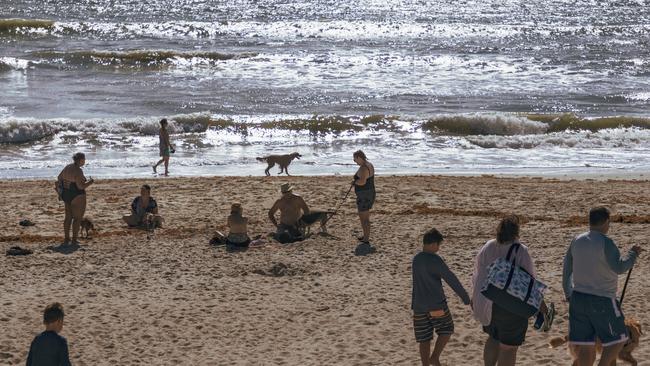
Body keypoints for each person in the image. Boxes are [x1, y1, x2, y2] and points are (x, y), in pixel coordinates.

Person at [562, 206, 642, 366]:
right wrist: (633, 254)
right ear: (606, 221)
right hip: (602, 299)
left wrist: (568, 293)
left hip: (578, 298)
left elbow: (566, 270)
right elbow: (619, 267)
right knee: (618, 339)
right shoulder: (606, 242)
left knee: (586, 344)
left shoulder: (577, 240)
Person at [472, 215, 549, 366]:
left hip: (487, 299)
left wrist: (474, 298)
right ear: (516, 232)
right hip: (509, 305)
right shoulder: (520, 250)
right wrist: (541, 305)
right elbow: (530, 281)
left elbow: (477, 274)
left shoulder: (488, 246)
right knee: (508, 348)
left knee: (493, 337)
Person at [412, 228, 471, 366]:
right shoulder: (435, 260)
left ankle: (426, 363)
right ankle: (435, 357)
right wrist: (465, 298)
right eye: (439, 245)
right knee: (447, 329)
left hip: (418, 307)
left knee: (424, 338)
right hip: (436, 306)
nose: (438, 248)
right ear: (433, 244)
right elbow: (451, 279)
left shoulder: (416, 259)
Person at [55, 152, 94, 245]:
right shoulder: (78, 171)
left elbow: (59, 178)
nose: (85, 161)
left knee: (68, 218)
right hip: (77, 196)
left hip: (66, 194)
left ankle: (67, 238)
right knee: (77, 219)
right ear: (80, 160)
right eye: (84, 159)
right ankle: (74, 240)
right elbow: (81, 186)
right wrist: (90, 182)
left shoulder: (68, 167)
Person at [352, 150, 375, 244]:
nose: (354, 161)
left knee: (364, 218)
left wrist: (354, 182)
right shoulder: (369, 164)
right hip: (369, 192)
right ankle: (365, 236)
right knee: (365, 217)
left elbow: (362, 182)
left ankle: (366, 238)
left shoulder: (363, 168)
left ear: (359, 157)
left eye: (354, 159)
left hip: (364, 195)